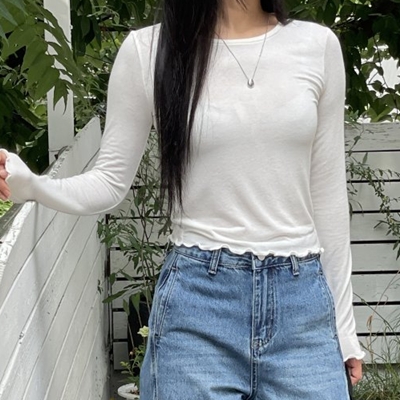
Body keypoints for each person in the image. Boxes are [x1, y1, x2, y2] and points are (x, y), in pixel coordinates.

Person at [0, 0, 364, 398]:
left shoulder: (317, 46)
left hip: (302, 309)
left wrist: (344, 330)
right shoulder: (149, 51)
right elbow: (109, 182)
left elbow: (328, 196)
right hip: (197, 308)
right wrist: (31, 186)